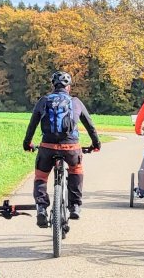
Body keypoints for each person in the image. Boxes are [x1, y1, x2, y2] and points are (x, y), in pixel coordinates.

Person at [22, 70, 102, 227]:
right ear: (69, 87)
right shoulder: (75, 102)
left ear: (53, 85)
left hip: (47, 147)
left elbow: (32, 125)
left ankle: (41, 208)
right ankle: (75, 206)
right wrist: (96, 144)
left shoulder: (44, 100)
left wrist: (27, 144)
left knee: (41, 176)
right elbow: (90, 125)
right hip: (71, 147)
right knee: (76, 170)